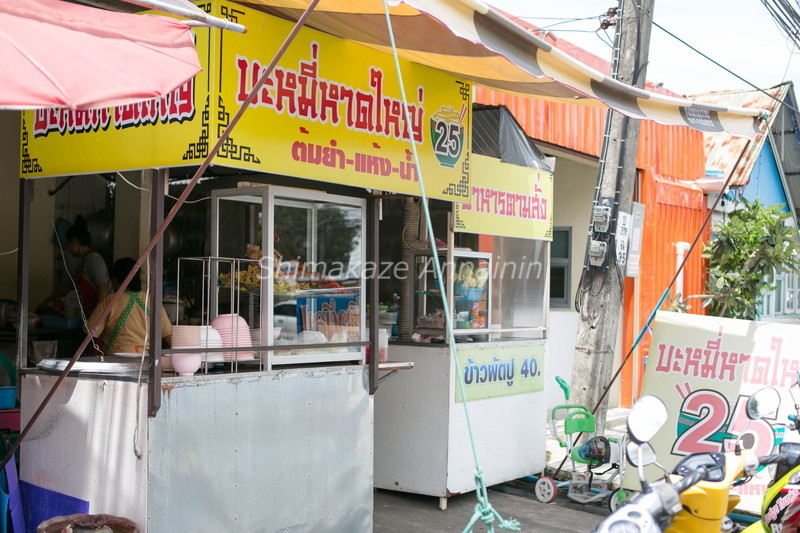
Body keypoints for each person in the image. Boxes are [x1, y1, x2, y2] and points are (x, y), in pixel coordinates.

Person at [86, 257, 172, 355]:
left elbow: (90, 333)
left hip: (114, 362)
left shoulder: (110, 301)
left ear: (116, 279)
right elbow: (170, 337)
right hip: (143, 362)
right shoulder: (152, 302)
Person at [38, 217, 110, 317]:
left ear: (75, 242)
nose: (68, 247)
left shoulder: (93, 259)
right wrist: (47, 301)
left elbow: (103, 286)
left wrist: (99, 317)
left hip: (102, 316)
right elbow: (69, 286)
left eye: (69, 243)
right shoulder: (83, 263)